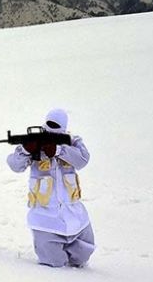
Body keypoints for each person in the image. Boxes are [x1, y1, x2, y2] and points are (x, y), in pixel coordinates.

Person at [6, 108, 95, 268]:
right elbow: (14, 164)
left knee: (83, 255)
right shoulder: (34, 141)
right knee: (53, 262)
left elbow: (83, 160)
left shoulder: (73, 141)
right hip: (44, 216)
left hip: (73, 213)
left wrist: (59, 150)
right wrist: (26, 150)